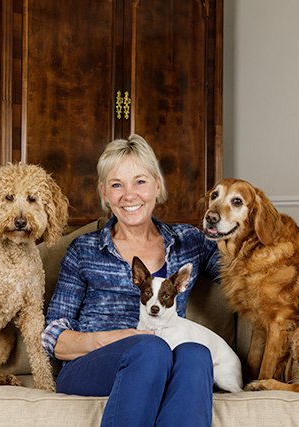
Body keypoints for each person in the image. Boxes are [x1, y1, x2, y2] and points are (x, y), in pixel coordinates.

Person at [41, 134, 221, 427]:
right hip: (90, 366)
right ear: (104, 192)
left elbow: (245, 275)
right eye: (116, 185)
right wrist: (112, 338)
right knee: (150, 349)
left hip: (167, 359)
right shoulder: (84, 250)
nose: (129, 195)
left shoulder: (189, 242)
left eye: (140, 181)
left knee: (196, 353)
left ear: (157, 186)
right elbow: (53, 337)